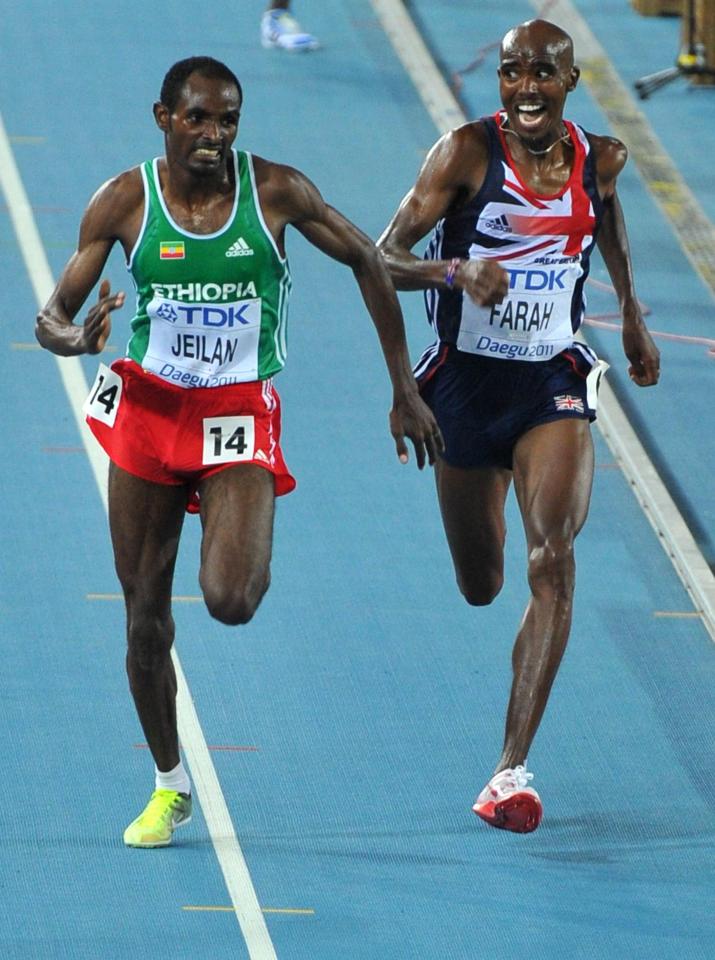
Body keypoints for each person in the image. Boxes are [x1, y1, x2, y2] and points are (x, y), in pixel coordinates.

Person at [36, 56, 441, 847]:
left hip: (235, 414)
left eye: (227, 121)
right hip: (150, 412)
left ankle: (232, 526)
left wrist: (403, 388)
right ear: (164, 118)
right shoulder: (124, 202)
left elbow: (367, 257)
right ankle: (168, 784)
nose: (215, 136)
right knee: (144, 620)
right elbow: (50, 314)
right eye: (198, 119)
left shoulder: (276, 192)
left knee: (231, 598)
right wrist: (73, 338)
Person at [378, 19, 659, 833]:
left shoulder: (601, 157)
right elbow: (379, 255)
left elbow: (602, 215)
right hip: (463, 392)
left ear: (570, 81)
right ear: (497, 81)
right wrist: (453, 269)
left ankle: (508, 771)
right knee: (482, 584)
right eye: (511, 73)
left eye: (542, 73)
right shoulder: (462, 155)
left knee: (554, 558)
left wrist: (629, 312)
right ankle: (493, 494)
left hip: (549, 385)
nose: (525, 88)